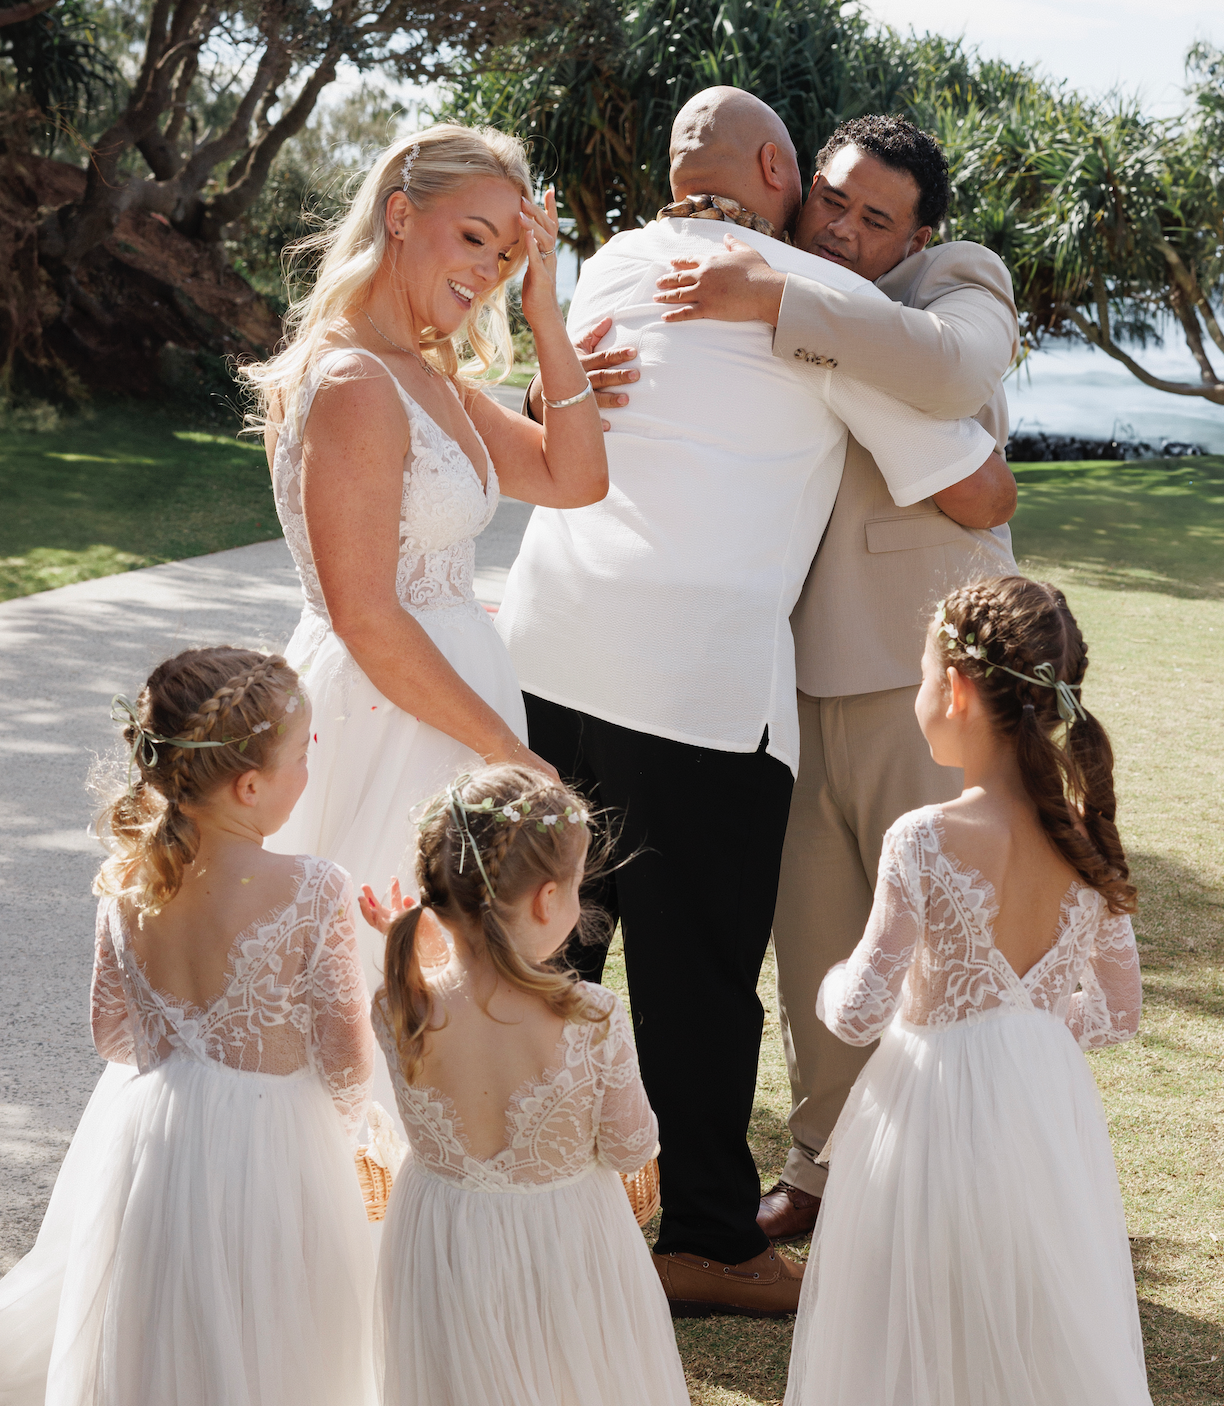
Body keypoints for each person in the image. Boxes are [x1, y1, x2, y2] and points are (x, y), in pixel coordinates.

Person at [496, 86, 1009, 1316]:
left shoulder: (614, 263)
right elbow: (980, 492)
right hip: (698, 685)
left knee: (546, 943)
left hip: (545, 654)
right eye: (824, 195)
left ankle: (517, 1199)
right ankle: (715, 1242)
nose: (832, 223)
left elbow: (566, 406)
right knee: (700, 971)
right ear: (781, 168)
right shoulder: (799, 298)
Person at [648, 113, 1021, 1239]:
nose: (847, 230)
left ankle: (960, 1184)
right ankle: (819, 1172)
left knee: (951, 940)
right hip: (790, 672)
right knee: (819, 942)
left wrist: (781, 301)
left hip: (931, 672)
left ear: (917, 234)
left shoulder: (952, 281)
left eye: (877, 218)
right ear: (800, 186)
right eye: (835, 201)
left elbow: (955, 372)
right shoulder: (769, 273)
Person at [243, 124, 608, 1122]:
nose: (488, 269)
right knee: (377, 980)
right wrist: (501, 751)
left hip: (454, 702)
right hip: (387, 714)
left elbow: (578, 476)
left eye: (508, 251)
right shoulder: (357, 381)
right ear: (401, 215)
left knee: (443, 994)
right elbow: (365, 613)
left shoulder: (431, 374)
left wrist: (546, 312)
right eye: (473, 238)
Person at [784, 576, 1150, 1405]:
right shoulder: (1085, 839)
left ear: (953, 689)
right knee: (1031, 1298)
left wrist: (830, 983)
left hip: (929, 1108)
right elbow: (1120, 1011)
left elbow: (863, 1010)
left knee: (909, 1306)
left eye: (920, 675)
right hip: (1041, 1110)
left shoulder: (923, 838)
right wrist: (1030, 1029)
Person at [0, 647, 376, 1406]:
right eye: (302, 756)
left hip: (158, 1139)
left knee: (160, 1313)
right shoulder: (314, 888)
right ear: (249, 785)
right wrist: (349, 1127)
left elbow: (111, 1034)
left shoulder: (130, 885)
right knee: (274, 1314)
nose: (309, 770)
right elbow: (346, 1057)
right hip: (278, 1141)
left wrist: (187, 1053)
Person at [359, 765, 689, 1406]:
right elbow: (629, 1148)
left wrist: (420, 948)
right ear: (545, 900)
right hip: (562, 1246)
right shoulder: (592, 1016)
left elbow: (460, 1001)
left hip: (442, 1242)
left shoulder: (398, 1005)